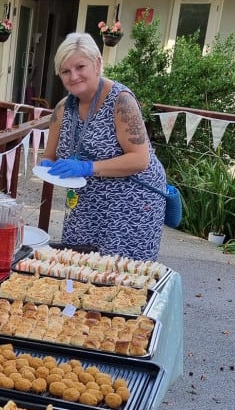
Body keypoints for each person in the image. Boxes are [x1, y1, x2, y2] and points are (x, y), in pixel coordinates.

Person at [40, 32, 167, 260]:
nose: (74, 76)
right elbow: (50, 156)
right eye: (66, 71)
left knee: (119, 276)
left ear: (97, 63)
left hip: (132, 202)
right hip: (87, 201)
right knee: (77, 264)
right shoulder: (61, 109)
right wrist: (47, 166)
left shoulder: (121, 101)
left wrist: (87, 167)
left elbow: (140, 159)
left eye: (80, 67)